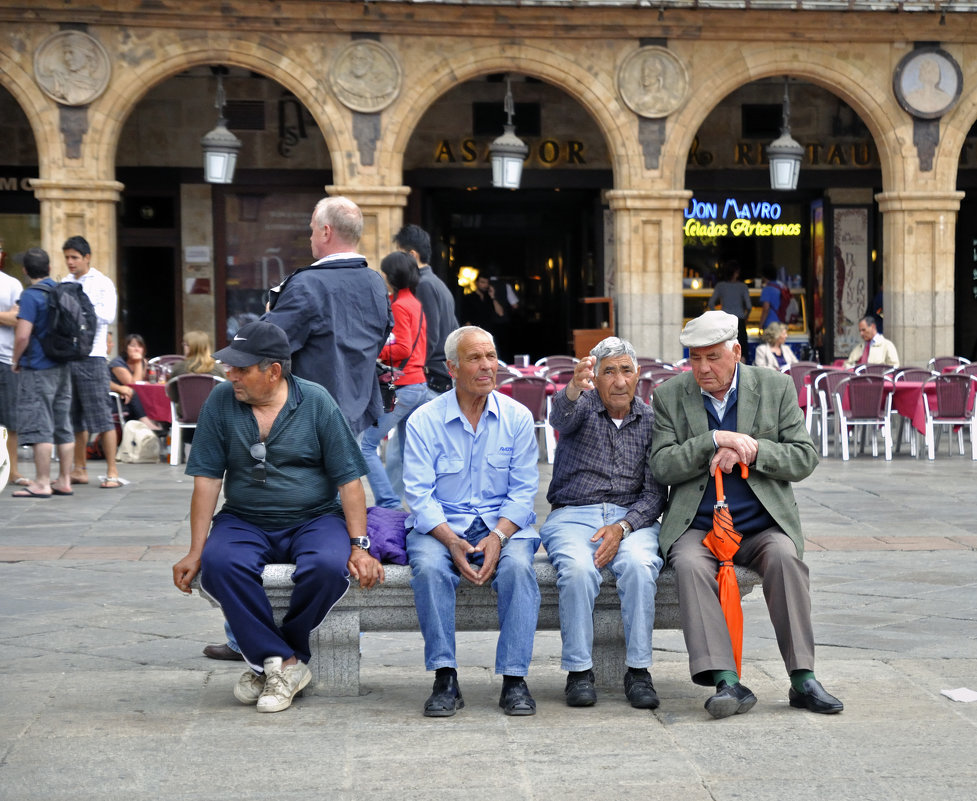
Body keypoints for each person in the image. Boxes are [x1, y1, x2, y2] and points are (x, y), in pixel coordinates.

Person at [171, 320, 385, 713]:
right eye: (229, 366)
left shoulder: (316, 401)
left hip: (315, 517)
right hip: (243, 518)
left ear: (273, 371)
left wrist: (359, 546)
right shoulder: (220, 402)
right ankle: (283, 664)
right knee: (219, 565)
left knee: (326, 567)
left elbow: (350, 482)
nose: (230, 374)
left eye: (241, 368)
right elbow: (206, 481)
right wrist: (194, 550)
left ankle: (266, 661)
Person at [649, 310, 843, 719]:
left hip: (761, 525)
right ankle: (726, 680)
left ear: (736, 351)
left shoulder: (775, 387)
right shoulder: (669, 395)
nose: (702, 368)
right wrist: (712, 440)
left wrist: (752, 450)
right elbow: (662, 466)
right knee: (686, 564)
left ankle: (803, 678)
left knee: (785, 559)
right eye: (695, 358)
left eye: (713, 357)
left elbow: (804, 458)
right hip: (697, 526)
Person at [403, 325, 540, 717]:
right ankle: (444, 676)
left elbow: (523, 491)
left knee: (517, 569)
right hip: (442, 525)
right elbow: (419, 495)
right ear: (452, 367)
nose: (486, 366)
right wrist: (450, 540)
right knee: (428, 568)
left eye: (491, 356)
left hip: (505, 526)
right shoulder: (424, 420)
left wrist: (498, 536)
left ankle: (514, 679)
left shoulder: (516, 417)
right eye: (474, 358)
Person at [541, 336, 667, 709]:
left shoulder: (651, 421)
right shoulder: (582, 408)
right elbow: (559, 416)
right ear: (595, 376)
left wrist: (624, 526)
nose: (618, 381)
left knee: (640, 566)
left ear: (638, 374)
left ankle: (639, 671)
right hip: (572, 515)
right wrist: (573, 388)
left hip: (632, 520)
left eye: (626, 370)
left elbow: (654, 494)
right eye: (608, 372)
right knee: (579, 569)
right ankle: (579, 671)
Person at [262, 196, 392, 436]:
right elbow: (382, 336)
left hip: (311, 414)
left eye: (312, 230)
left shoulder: (307, 284)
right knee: (348, 473)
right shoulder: (375, 282)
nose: (310, 237)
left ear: (325, 232)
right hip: (358, 406)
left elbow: (269, 343)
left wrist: (270, 315)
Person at [360, 251, 428, 509]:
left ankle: (388, 504)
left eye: (384, 273)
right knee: (410, 453)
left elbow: (402, 348)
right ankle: (410, 505)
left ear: (391, 276)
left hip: (403, 385)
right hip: (417, 384)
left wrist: (373, 351)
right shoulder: (413, 302)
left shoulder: (399, 305)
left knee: (364, 446)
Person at [8, 248, 75, 499]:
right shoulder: (59, 290)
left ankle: (42, 482)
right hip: (63, 365)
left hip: (38, 367)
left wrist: (16, 360)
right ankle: (65, 480)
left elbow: (23, 334)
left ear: (25, 270)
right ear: (48, 268)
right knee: (63, 424)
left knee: (41, 425)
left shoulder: (30, 296)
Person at [61, 236, 122, 489]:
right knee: (74, 416)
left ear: (87, 257)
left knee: (101, 415)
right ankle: (79, 468)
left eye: (74, 257)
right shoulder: (63, 283)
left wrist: (80, 308)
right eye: (67, 257)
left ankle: (112, 471)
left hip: (94, 354)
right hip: (68, 355)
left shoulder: (102, 283)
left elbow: (108, 315)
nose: (70, 262)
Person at [393, 224, 457, 399]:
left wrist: (407, 369)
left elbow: (428, 335)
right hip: (437, 375)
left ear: (412, 255)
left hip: (429, 377)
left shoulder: (423, 285)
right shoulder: (436, 283)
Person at [166, 330, 227, 418]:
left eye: (185, 344)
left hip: (185, 415)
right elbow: (225, 395)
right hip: (214, 416)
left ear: (191, 347)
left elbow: (174, 397)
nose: (183, 347)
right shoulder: (218, 369)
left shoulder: (178, 368)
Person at [0, 264, 24, 485]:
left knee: (10, 419)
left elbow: (17, 319)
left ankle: (13, 470)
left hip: (6, 359)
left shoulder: (11, 284)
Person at [108, 333, 162, 430]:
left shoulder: (143, 362)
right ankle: (145, 422)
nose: (136, 349)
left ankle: (159, 424)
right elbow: (134, 384)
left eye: (140, 346)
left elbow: (141, 383)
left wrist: (141, 363)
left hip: (129, 396)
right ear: (126, 348)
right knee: (133, 392)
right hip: (116, 398)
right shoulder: (117, 363)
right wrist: (138, 363)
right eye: (132, 346)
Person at [708, 260, 752, 357]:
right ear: (736, 273)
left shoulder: (720, 286)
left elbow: (711, 303)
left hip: (725, 322)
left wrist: (718, 317)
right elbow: (749, 306)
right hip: (739, 321)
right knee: (741, 351)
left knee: (726, 349)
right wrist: (746, 317)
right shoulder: (742, 286)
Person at [460, 272, 508, 345]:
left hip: (489, 335)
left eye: (487, 283)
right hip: (474, 336)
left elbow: (500, 313)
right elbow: (465, 319)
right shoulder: (468, 298)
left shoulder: (489, 298)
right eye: (482, 282)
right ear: (477, 283)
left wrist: (493, 297)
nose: (485, 285)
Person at [758, 264, 784, 330]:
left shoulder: (767, 289)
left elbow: (766, 309)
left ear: (764, 276)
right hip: (780, 322)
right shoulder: (780, 287)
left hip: (770, 324)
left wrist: (760, 325)